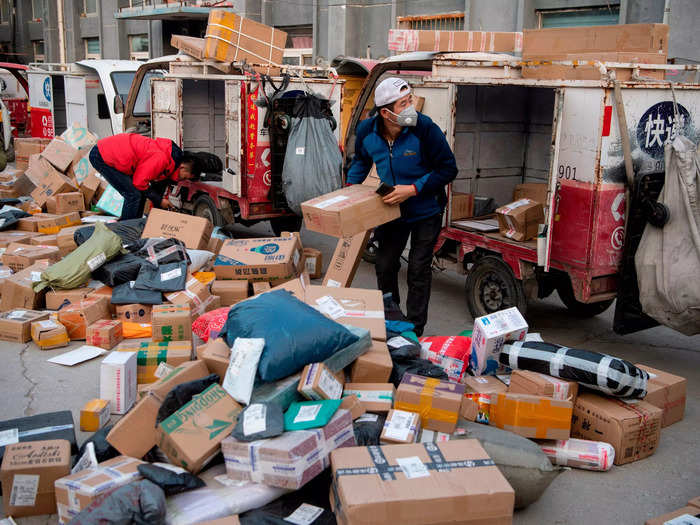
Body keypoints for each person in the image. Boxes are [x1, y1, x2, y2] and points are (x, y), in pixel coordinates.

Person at [346, 77, 458, 336]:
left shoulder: (424, 128)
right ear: (386, 113)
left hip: (426, 208)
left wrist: (413, 189)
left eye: (411, 100)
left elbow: (448, 169)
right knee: (385, 265)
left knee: (418, 268)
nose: (411, 108)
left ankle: (414, 329)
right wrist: (350, 191)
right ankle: (392, 318)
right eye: (403, 104)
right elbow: (361, 161)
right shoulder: (367, 131)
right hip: (390, 208)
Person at [88, 133, 200, 220]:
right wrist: (159, 200)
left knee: (138, 194)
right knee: (133, 194)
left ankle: (133, 227)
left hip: (112, 154)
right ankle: (125, 234)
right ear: (183, 167)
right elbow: (139, 182)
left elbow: (153, 189)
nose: (183, 180)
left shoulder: (170, 164)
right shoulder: (162, 158)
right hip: (102, 155)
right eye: (185, 177)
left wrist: (159, 201)